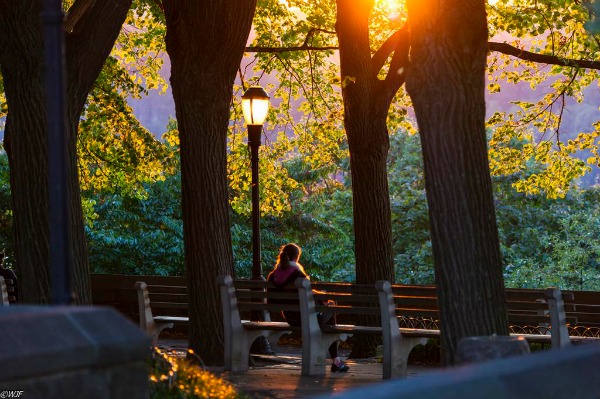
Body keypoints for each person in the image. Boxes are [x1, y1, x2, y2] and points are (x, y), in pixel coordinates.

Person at [266, 243, 349, 373]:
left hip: (290, 318)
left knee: (324, 313)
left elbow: (271, 300)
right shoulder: (298, 274)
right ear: (297, 257)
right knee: (331, 307)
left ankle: (332, 358)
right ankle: (336, 360)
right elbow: (310, 295)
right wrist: (325, 299)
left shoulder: (273, 275)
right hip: (303, 318)